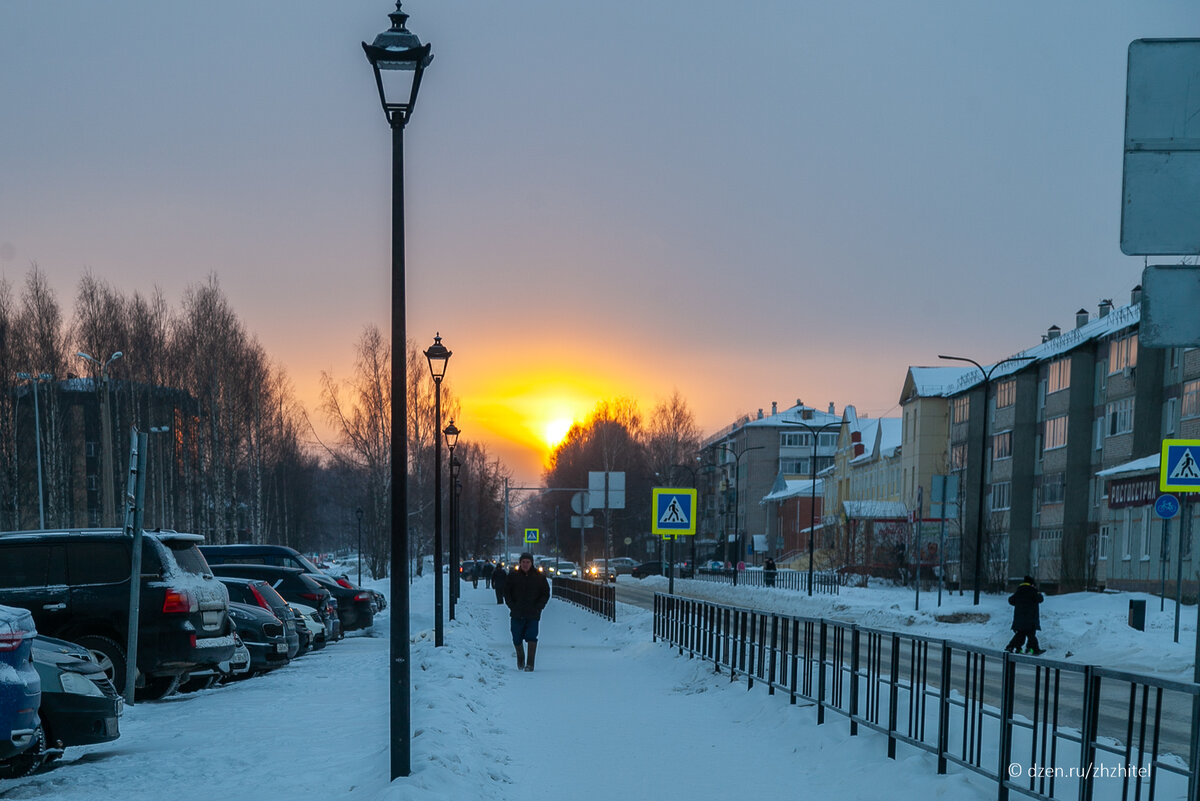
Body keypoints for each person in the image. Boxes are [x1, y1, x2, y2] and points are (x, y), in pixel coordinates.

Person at [504, 553, 550, 671]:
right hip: (517, 612)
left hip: (533, 613)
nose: (525, 564)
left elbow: (545, 593)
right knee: (516, 637)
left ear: (531, 563)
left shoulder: (539, 577)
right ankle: (520, 657)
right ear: (520, 563)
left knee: (532, 636)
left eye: (527, 562)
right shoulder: (513, 576)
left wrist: (539, 606)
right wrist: (511, 605)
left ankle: (530, 664)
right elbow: (507, 592)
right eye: (523, 562)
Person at [1005, 575, 1045, 655]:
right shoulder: (1033, 591)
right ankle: (1032, 649)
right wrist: (1037, 592)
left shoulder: (1019, 591)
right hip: (1030, 618)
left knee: (1021, 634)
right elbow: (1040, 599)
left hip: (1020, 618)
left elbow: (1011, 600)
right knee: (1030, 635)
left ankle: (1014, 647)